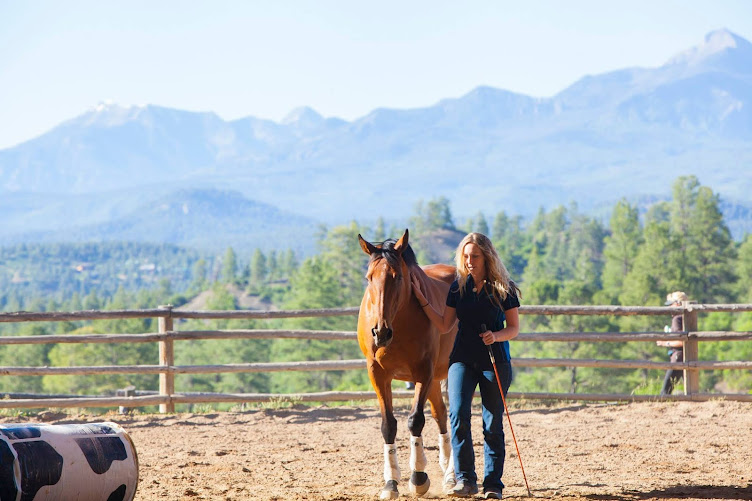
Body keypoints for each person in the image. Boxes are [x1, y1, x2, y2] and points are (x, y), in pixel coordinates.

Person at [411, 232, 520, 499]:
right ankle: (465, 480)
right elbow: (445, 324)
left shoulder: (503, 288)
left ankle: (493, 485)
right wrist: (422, 299)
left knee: (492, 423)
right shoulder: (458, 288)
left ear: (487, 257)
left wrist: (496, 336)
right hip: (461, 359)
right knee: (457, 416)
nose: (469, 261)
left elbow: (514, 328)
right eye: (466, 256)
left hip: (494, 361)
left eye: (475, 256)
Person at [657, 291, 688, 396]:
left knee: (665, 392)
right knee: (690, 390)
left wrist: (665, 343)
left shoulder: (677, 319)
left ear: (678, 304)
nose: (670, 306)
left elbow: (680, 341)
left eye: (672, 304)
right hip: (686, 355)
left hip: (677, 357)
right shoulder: (686, 317)